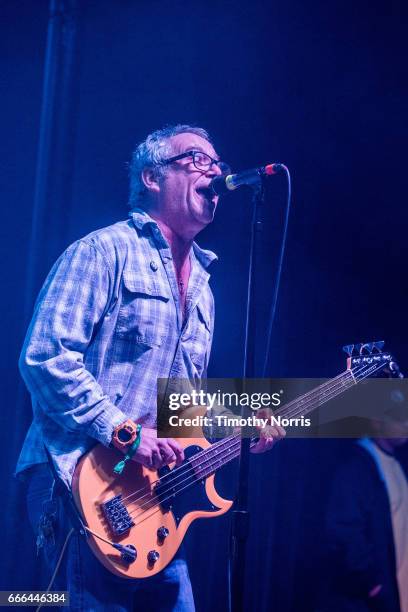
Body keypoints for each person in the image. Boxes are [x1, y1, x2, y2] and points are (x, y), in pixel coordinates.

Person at [16, 124, 285, 611]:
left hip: (151, 508)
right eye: (197, 160)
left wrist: (242, 426)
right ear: (152, 177)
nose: (216, 171)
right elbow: (45, 358)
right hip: (78, 484)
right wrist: (127, 435)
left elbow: (180, 407)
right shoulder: (103, 251)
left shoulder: (204, 286)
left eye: (218, 163)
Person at [319, 407, 408, 612]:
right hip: (366, 596)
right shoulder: (357, 464)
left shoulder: (397, 462)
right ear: (377, 421)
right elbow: (343, 527)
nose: (406, 424)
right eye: (399, 417)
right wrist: (371, 583)